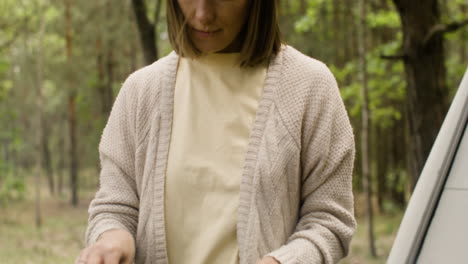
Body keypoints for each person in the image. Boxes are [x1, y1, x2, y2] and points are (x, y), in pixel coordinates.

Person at [75, 0, 356, 263]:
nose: (202, 14)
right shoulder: (141, 91)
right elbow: (114, 208)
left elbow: (329, 220)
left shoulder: (309, 86)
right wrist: (113, 238)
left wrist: (281, 261)